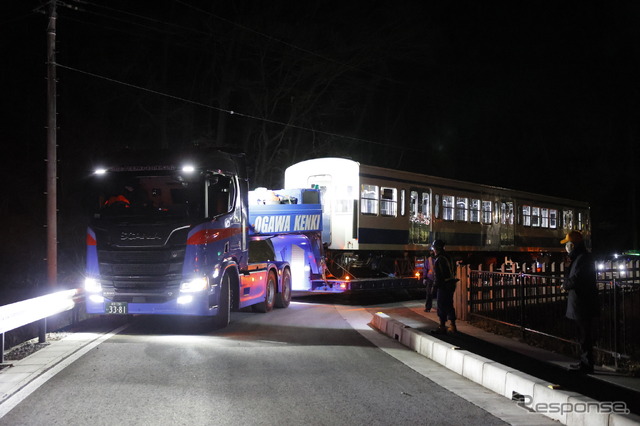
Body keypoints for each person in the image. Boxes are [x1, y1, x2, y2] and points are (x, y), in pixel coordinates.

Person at [561, 230, 599, 373]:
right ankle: (584, 362)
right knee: (582, 335)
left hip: (582, 304)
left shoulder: (582, 258)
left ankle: (587, 364)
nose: (566, 247)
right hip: (580, 304)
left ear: (573, 244)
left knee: (584, 335)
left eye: (568, 244)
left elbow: (577, 279)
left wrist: (565, 285)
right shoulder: (580, 258)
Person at [431, 239, 457, 334]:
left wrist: (434, 287)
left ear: (437, 249)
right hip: (451, 284)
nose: (433, 251)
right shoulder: (449, 257)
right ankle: (453, 325)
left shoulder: (439, 259)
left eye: (434, 248)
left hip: (443, 285)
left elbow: (438, 276)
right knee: (449, 304)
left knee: (441, 305)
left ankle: (442, 326)